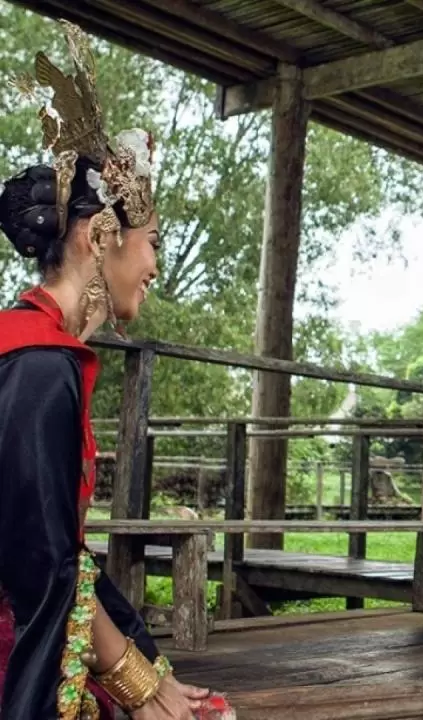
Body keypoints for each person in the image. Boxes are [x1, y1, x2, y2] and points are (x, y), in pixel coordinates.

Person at [0, 21, 234, 719]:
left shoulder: (34, 347)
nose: (156, 265)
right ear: (100, 236)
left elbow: (60, 554)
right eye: (152, 242)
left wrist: (150, 672)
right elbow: (42, 566)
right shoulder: (37, 364)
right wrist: (139, 690)